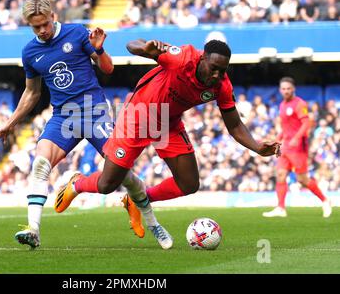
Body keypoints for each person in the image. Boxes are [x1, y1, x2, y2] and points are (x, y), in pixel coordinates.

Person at [54, 39, 281, 237]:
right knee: (107, 185)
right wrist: (146, 48)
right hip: (138, 117)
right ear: (202, 59)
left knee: (189, 183)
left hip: (168, 123)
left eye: (223, 71)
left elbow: (235, 125)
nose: (217, 75)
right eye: (214, 68)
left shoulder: (221, 85)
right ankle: (78, 184)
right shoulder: (181, 58)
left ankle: (137, 199)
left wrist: (258, 147)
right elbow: (131, 45)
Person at [0, 0, 166, 250]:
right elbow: (32, 92)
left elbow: (107, 69)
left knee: (122, 173)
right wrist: (11, 122)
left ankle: (152, 222)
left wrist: (100, 49)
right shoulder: (30, 52)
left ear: (53, 17)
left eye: (45, 24)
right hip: (63, 116)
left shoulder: (76, 33)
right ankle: (33, 230)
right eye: (36, 27)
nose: (42, 31)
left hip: (94, 111)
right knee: (40, 164)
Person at [263, 77, 332, 218]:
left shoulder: (300, 104)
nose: (286, 91)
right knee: (281, 175)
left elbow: (306, 123)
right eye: (283, 88)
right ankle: (281, 208)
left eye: (288, 88)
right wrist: (277, 139)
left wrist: (296, 138)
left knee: (302, 179)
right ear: (280, 90)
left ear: (293, 89)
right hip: (286, 146)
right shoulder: (282, 105)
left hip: (298, 147)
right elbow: (286, 127)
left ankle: (325, 200)